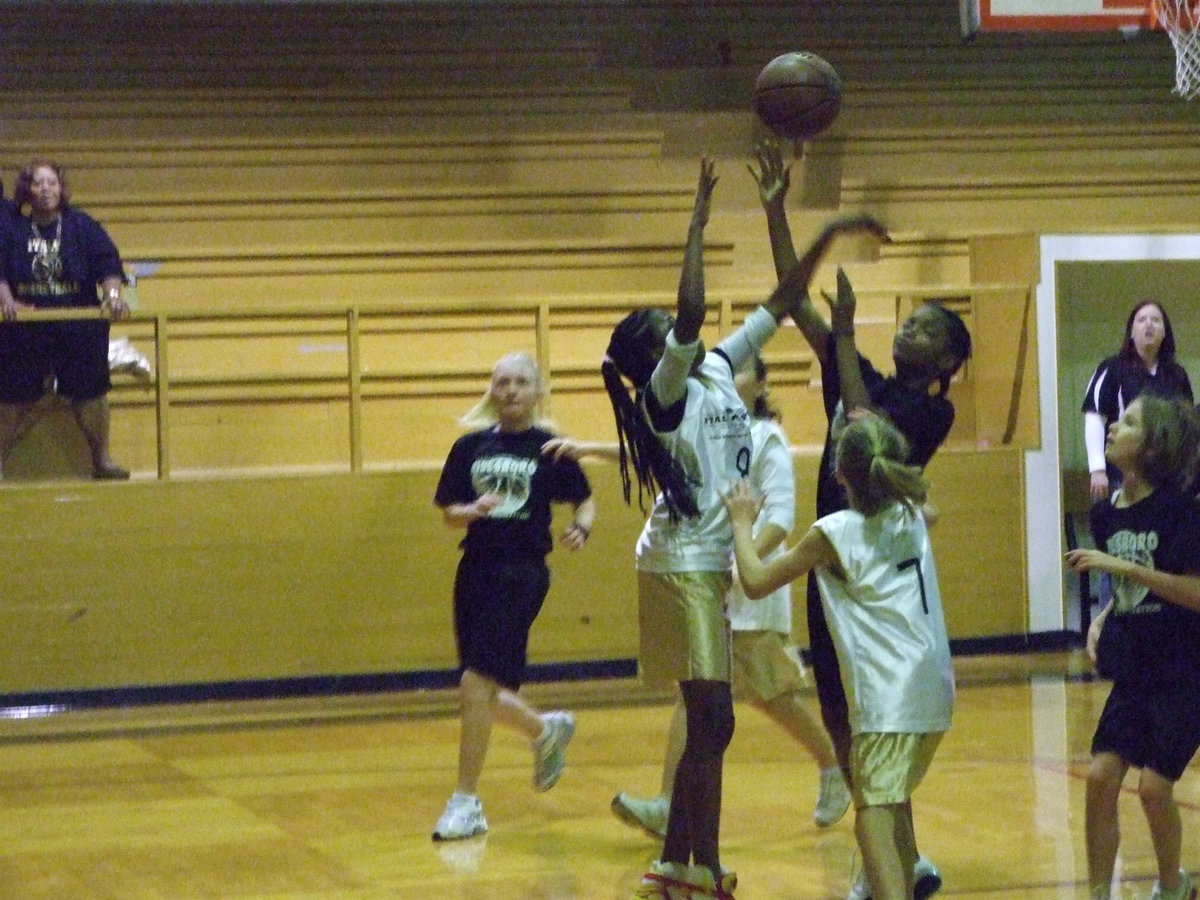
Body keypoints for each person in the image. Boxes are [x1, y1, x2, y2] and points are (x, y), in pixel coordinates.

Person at [598, 156, 885, 900]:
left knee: (711, 720)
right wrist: (695, 219)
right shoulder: (664, 391)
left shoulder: (722, 369)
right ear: (655, 355)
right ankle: (702, 870)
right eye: (668, 332)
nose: (684, 331)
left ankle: (674, 862)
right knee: (715, 719)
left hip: (711, 563)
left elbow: (784, 299)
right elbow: (688, 312)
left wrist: (816, 226)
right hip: (679, 564)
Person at [749, 140, 972, 900]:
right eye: (912, 322)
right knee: (851, 730)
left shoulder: (928, 412)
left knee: (871, 721)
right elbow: (793, 301)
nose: (911, 331)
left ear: (946, 366)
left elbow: (864, 425)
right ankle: (902, 861)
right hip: (834, 572)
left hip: (866, 574)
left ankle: (888, 861)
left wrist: (845, 340)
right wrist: (779, 212)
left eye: (931, 332)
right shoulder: (864, 374)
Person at [607, 353, 849, 840]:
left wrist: (741, 563)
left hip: (747, 587)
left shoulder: (767, 439)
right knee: (697, 690)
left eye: (740, 369)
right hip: (706, 585)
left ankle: (832, 766)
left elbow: (780, 518)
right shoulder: (706, 428)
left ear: (760, 383)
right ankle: (669, 802)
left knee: (769, 693)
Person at [725, 413, 953, 900]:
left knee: (871, 810)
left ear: (839, 476)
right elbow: (925, 504)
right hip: (936, 688)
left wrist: (742, 523)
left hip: (889, 695)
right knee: (890, 797)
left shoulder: (833, 533)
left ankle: (893, 886)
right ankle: (910, 868)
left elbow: (756, 579)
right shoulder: (913, 514)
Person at [431, 351, 596, 842]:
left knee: (474, 684)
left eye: (521, 382)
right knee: (481, 690)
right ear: (491, 390)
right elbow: (449, 514)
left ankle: (466, 801)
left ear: (537, 390)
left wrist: (581, 527)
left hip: (521, 573)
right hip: (475, 570)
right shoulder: (469, 447)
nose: (510, 391)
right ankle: (544, 731)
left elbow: (583, 497)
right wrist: (472, 509)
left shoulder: (550, 448)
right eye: (502, 382)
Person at [1065, 394, 1200, 900]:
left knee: (1153, 789)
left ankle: (1173, 887)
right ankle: (1099, 891)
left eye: (1128, 422)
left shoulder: (1181, 513)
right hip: (1136, 674)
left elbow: (1193, 592)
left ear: (1152, 445)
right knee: (1100, 779)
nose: (1113, 427)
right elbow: (1132, 595)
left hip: (1185, 676)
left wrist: (1125, 569)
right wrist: (1104, 616)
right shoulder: (1105, 516)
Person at [0, 158, 130, 480]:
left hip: (75, 325)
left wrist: (113, 297)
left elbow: (109, 265)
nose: (46, 189)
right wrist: (8, 301)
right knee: (10, 398)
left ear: (62, 189)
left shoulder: (81, 226)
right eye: (37, 183)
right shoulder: (11, 228)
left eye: (52, 183)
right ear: (26, 191)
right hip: (26, 328)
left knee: (92, 393)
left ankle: (102, 460)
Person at [1082, 300, 1193, 501]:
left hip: (1167, 478)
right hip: (1119, 477)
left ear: (1165, 332)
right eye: (1141, 320)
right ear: (1131, 333)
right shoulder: (1112, 368)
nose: (1148, 324)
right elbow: (1094, 418)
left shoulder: (1177, 375)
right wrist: (1097, 469)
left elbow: (1187, 428)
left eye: (1155, 320)